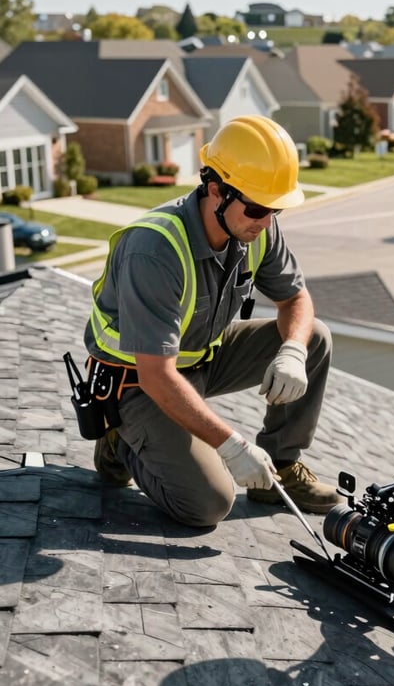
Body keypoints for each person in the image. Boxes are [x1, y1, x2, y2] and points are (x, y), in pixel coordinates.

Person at [85, 115, 339, 526]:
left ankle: (281, 467)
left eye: (276, 209)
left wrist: (292, 351)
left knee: (314, 338)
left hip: (201, 360)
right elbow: (155, 375)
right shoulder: (154, 249)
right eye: (258, 207)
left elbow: (296, 298)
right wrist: (232, 447)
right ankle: (119, 439)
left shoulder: (256, 229)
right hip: (136, 381)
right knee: (207, 505)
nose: (267, 221)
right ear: (217, 189)